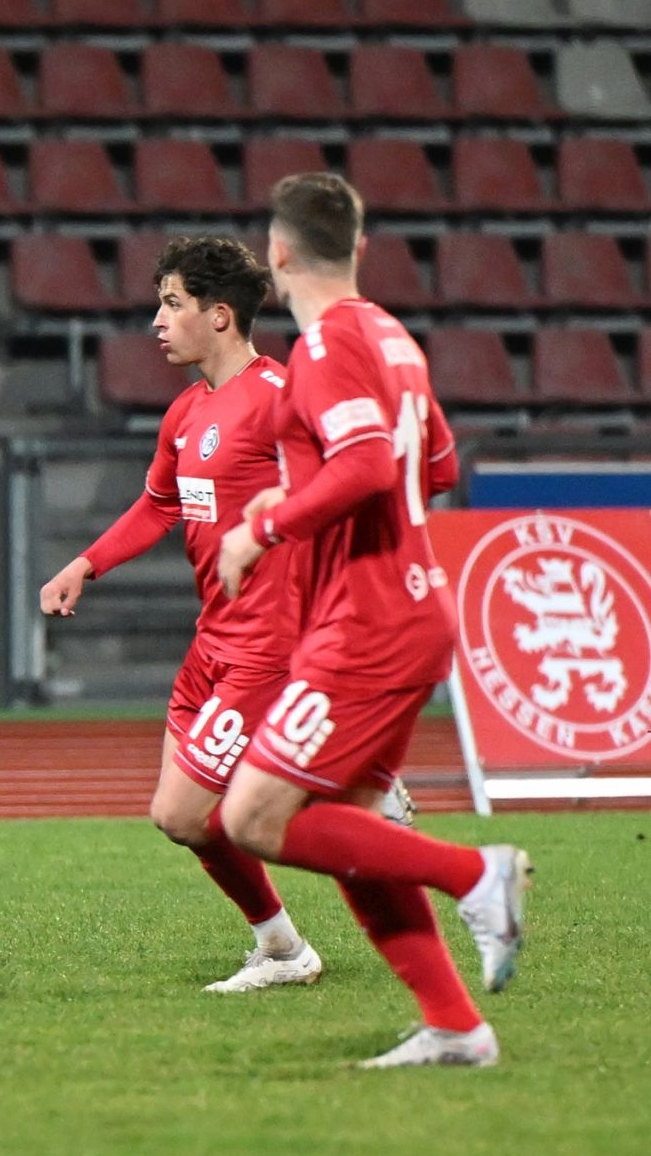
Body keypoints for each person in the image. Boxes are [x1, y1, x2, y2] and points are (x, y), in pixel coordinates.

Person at [216, 173, 530, 1068]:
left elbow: (363, 466)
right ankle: (456, 1027)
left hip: (368, 620)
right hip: (410, 602)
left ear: (278, 251)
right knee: (350, 831)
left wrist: (266, 526)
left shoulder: (325, 347)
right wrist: (298, 491)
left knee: (253, 817)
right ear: (358, 246)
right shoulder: (392, 335)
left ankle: (476, 873)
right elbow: (436, 464)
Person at [44, 236, 341, 993]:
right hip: (212, 641)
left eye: (172, 303)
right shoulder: (186, 411)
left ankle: (348, 795)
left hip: (270, 646)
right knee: (191, 819)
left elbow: (339, 493)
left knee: (181, 813)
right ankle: (283, 944)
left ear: (219, 316)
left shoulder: (279, 399)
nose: (157, 320)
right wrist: (86, 564)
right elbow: (159, 506)